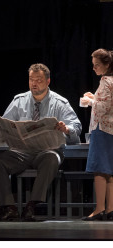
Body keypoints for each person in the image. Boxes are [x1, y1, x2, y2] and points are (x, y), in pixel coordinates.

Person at [0, 63, 82, 221]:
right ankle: (9, 207)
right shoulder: (19, 100)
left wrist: (66, 128)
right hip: (22, 152)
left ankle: (31, 205)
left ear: (48, 81)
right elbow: (6, 123)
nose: (34, 83)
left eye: (38, 80)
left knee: (52, 158)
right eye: (31, 79)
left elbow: (77, 126)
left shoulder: (60, 102)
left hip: (46, 151)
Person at [80, 48, 113, 221]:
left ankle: (99, 208)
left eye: (97, 65)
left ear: (107, 65)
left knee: (100, 170)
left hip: (102, 129)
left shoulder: (105, 81)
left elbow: (103, 107)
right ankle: (110, 209)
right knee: (109, 170)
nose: (94, 68)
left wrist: (90, 101)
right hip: (111, 129)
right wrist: (95, 97)